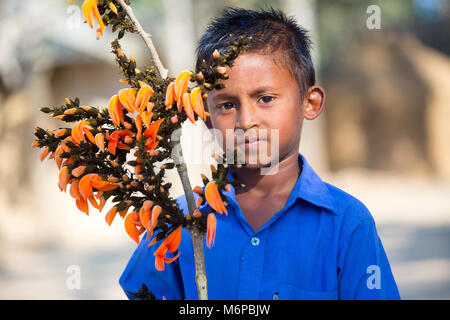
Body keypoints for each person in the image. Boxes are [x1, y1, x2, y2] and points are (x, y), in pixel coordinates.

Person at [119, 7, 400, 300]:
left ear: (310, 102)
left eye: (265, 98)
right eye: (227, 104)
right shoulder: (177, 220)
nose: (246, 121)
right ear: (205, 115)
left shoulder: (347, 224)